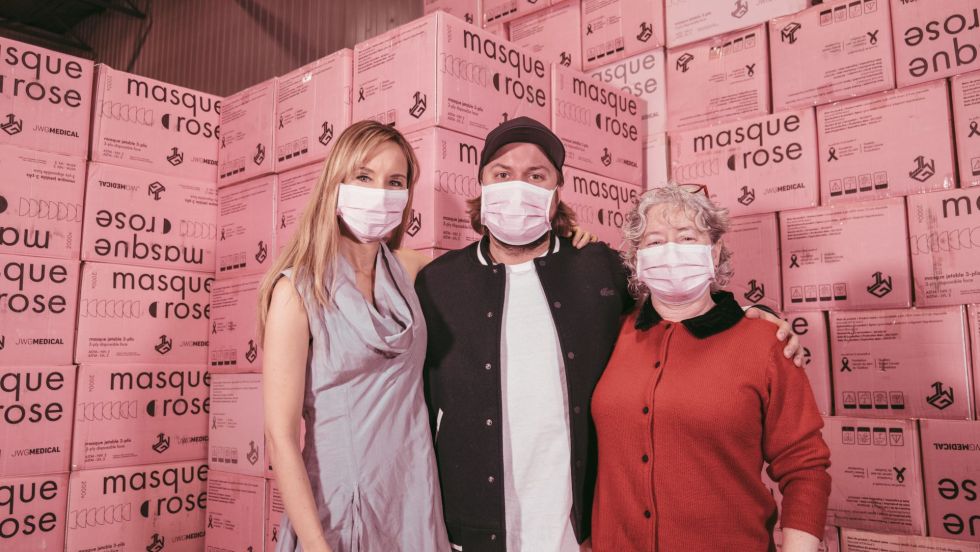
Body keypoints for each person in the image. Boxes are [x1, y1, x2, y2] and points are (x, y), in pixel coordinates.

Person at [414, 117, 805, 552]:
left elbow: (675, 304)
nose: (518, 187)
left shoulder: (599, 268)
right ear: (482, 184)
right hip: (472, 531)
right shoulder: (437, 282)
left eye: (536, 175)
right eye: (502, 174)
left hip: (578, 534)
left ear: (556, 191)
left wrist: (751, 314)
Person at [590, 183, 831, 552]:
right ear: (637, 258)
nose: (671, 251)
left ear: (714, 251)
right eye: (655, 241)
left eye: (687, 237)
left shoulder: (765, 342)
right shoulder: (610, 335)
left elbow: (805, 467)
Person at [258, 121, 449, 552]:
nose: (380, 193)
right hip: (340, 506)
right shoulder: (297, 292)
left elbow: (491, 269)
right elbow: (280, 437)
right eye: (364, 177)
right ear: (336, 183)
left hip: (415, 498)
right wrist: (316, 545)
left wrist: (569, 241)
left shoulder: (410, 269)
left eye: (394, 182)